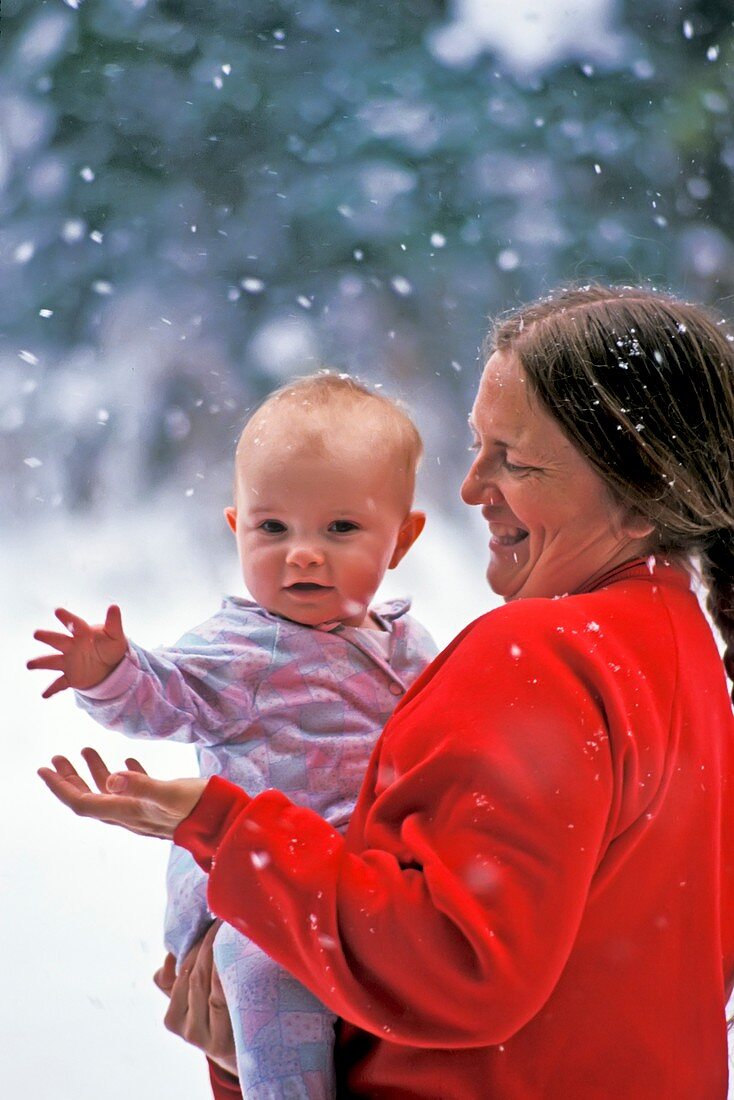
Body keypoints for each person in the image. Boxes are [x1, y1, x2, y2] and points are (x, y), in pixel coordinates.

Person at [39, 285, 734, 1099]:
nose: (472, 487)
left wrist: (227, 829)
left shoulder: (537, 653)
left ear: (640, 478)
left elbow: (459, 966)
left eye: (513, 456)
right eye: (478, 447)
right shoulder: (681, 646)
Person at [29, 372, 437, 1099]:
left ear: (402, 539)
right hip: (250, 893)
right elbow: (165, 693)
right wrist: (110, 673)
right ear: (235, 529)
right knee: (262, 972)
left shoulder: (412, 645)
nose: (302, 553)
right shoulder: (243, 651)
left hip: (350, 881)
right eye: (272, 528)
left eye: (340, 528)